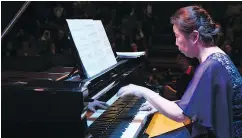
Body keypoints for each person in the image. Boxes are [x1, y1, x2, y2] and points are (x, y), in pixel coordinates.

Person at [117, 5, 242, 138]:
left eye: (177, 36)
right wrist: (162, 105)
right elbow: (201, 103)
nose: (176, 43)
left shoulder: (211, 65)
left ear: (194, 36)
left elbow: (179, 115)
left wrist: (142, 91)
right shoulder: (217, 57)